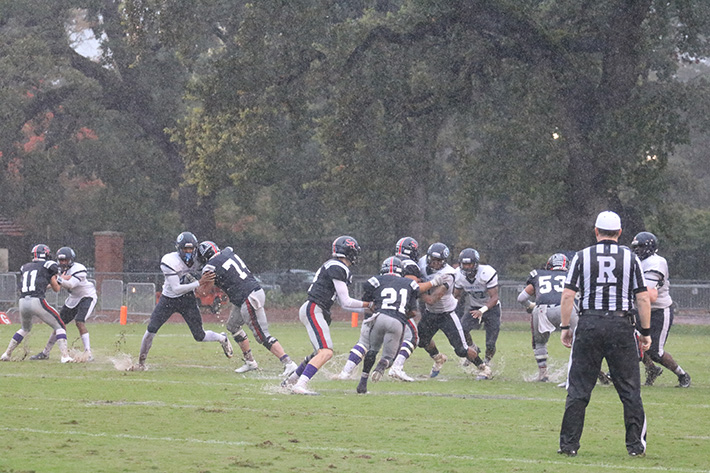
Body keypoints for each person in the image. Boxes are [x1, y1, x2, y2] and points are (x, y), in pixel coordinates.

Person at [558, 211, 652, 457]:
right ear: (620, 233)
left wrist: (565, 327)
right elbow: (642, 297)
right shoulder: (631, 259)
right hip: (621, 325)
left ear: (596, 231)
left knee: (578, 389)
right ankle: (635, 446)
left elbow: (568, 295)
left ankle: (568, 445)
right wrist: (645, 331)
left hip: (590, 323)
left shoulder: (582, 256)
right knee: (630, 390)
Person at [336, 238, 444, 381]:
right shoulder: (410, 267)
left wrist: (372, 307)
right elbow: (414, 288)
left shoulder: (380, 273)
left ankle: (345, 372)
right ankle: (396, 368)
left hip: (376, 310)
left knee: (364, 343)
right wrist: (433, 282)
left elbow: (368, 295)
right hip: (397, 311)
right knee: (412, 337)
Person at [283, 236, 372, 395]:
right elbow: (346, 301)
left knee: (319, 353)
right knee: (326, 352)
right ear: (349, 251)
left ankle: (290, 381)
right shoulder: (337, 266)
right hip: (314, 308)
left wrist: (369, 309)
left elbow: (345, 304)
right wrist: (368, 305)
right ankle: (300, 385)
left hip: (315, 309)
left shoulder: (334, 266)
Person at [131, 232, 233, 371]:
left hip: (187, 300)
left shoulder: (200, 258)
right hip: (169, 299)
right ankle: (141, 364)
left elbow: (215, 259)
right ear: (179, 248)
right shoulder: (169, 261)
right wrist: (199, 282)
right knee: (151, 330)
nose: (189, 252)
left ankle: (222, 338)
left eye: (191, 249)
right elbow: (177, 289)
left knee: (199, 335)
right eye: (185, 249)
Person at [196, 241, 298, 377]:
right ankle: (250, 362)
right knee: (233, 326)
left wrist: (197, 283)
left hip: (248, 297)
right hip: (249, 293)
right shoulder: (228, 252)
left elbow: (204, 292)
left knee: (262, 335)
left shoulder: (210, 266)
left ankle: (289, 363)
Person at [416, 243, 491, 379]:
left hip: (446, 314)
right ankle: (439, 358)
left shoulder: (448, 274)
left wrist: (414, 290)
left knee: (461, 350)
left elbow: (432, 299)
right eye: (433, 259)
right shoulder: (421, 262)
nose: (435, 263)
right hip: (430, 313)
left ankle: (484, 367)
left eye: (439, 261)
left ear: (444, 261)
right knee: (421, 341)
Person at [353, 257, 423, 394]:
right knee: (389, 357)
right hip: (397, 321)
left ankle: (362, 383)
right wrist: (402, 315)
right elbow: (414, 312)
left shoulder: (376, 280)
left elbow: (367, 301)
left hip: (380, 317)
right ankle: (382, 364)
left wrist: (376, 308)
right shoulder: (410, 284)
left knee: (372, 350)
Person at [631, 232, 691, 388]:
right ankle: (651, 369)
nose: (637, 251)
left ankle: (682, 375)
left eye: (640, 247)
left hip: (659, 310)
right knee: (633, 342)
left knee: (655, 351)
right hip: (640, 309)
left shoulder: (657, 262)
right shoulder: (636, 261)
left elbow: (648, 294)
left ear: (650, 248)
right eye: (635, 248)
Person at [1, 245, 73, 363]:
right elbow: (56, 289)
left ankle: (6, 353)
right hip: (37, 300)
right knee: (60, 326)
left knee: (24, 328)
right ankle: (65, 356)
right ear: (46, 254)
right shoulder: (49, 265)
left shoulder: (25, 267)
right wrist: (60, 280)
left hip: (23, 301)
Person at [29, 247, 98, 362]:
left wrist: (57, 279)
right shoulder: (58, 270)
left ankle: (88, 353)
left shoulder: (79, 268)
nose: (63, 263)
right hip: (73, 298)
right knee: (58, 324)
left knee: (79, 321)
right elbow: (53, 282)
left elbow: (70, 285)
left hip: (87, 296)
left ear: (71, 259)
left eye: (65, 260)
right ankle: (45, 353)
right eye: (61, 260)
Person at [517, 253, 578, 382]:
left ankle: (543, 374)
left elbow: (521, 298)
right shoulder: (571, 276)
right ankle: (589, 371)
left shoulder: (538, 274)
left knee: (540, 343)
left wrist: (530, 306)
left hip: (543, 310)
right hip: (567, 308)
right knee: (580, 342)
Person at [453, 248, 501, 364]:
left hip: (491, 309)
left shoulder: (486, 273)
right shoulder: (458, 275)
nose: (467, 267)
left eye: (469, 264)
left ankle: (487, 361)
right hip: (474, 308)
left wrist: (482, 310)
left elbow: (494, 298)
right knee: (462, 330)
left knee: (490, 343)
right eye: (464, 264)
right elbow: (456, 296)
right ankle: (473, 347)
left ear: (476, 263)